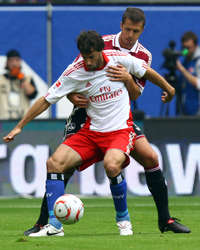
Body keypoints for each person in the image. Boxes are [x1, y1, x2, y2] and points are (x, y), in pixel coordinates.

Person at [24, 7, 190, 236]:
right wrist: (72, 96)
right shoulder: (99, 43)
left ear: (142, 30)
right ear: (121, 25)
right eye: (128, 29)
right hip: (86, 115)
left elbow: (135, 95)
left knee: (151, 157)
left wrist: (126, 79)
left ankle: (166, 220)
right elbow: (75, 75)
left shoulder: (144, 56)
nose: (131, 34)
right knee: (63, 166)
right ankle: (45, 222)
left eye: (136, 31)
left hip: (119, 117)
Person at [0, 49, 37, 119]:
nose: (14, 63)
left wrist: (21, 78)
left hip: (22, 122)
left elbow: (32, 94)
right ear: (7, 63)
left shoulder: (27, 79)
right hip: (3, 122)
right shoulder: (1, 79)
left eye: (16, 60)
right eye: (11, 61)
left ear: (20, 62)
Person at [176, 31, 200, 115]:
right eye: (183, 48)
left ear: (196, 46)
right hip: (186, 110)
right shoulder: (185, 61)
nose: (185, 51)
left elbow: (198, 84)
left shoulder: (198, 61)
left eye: (188, 47)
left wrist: (182, 69)